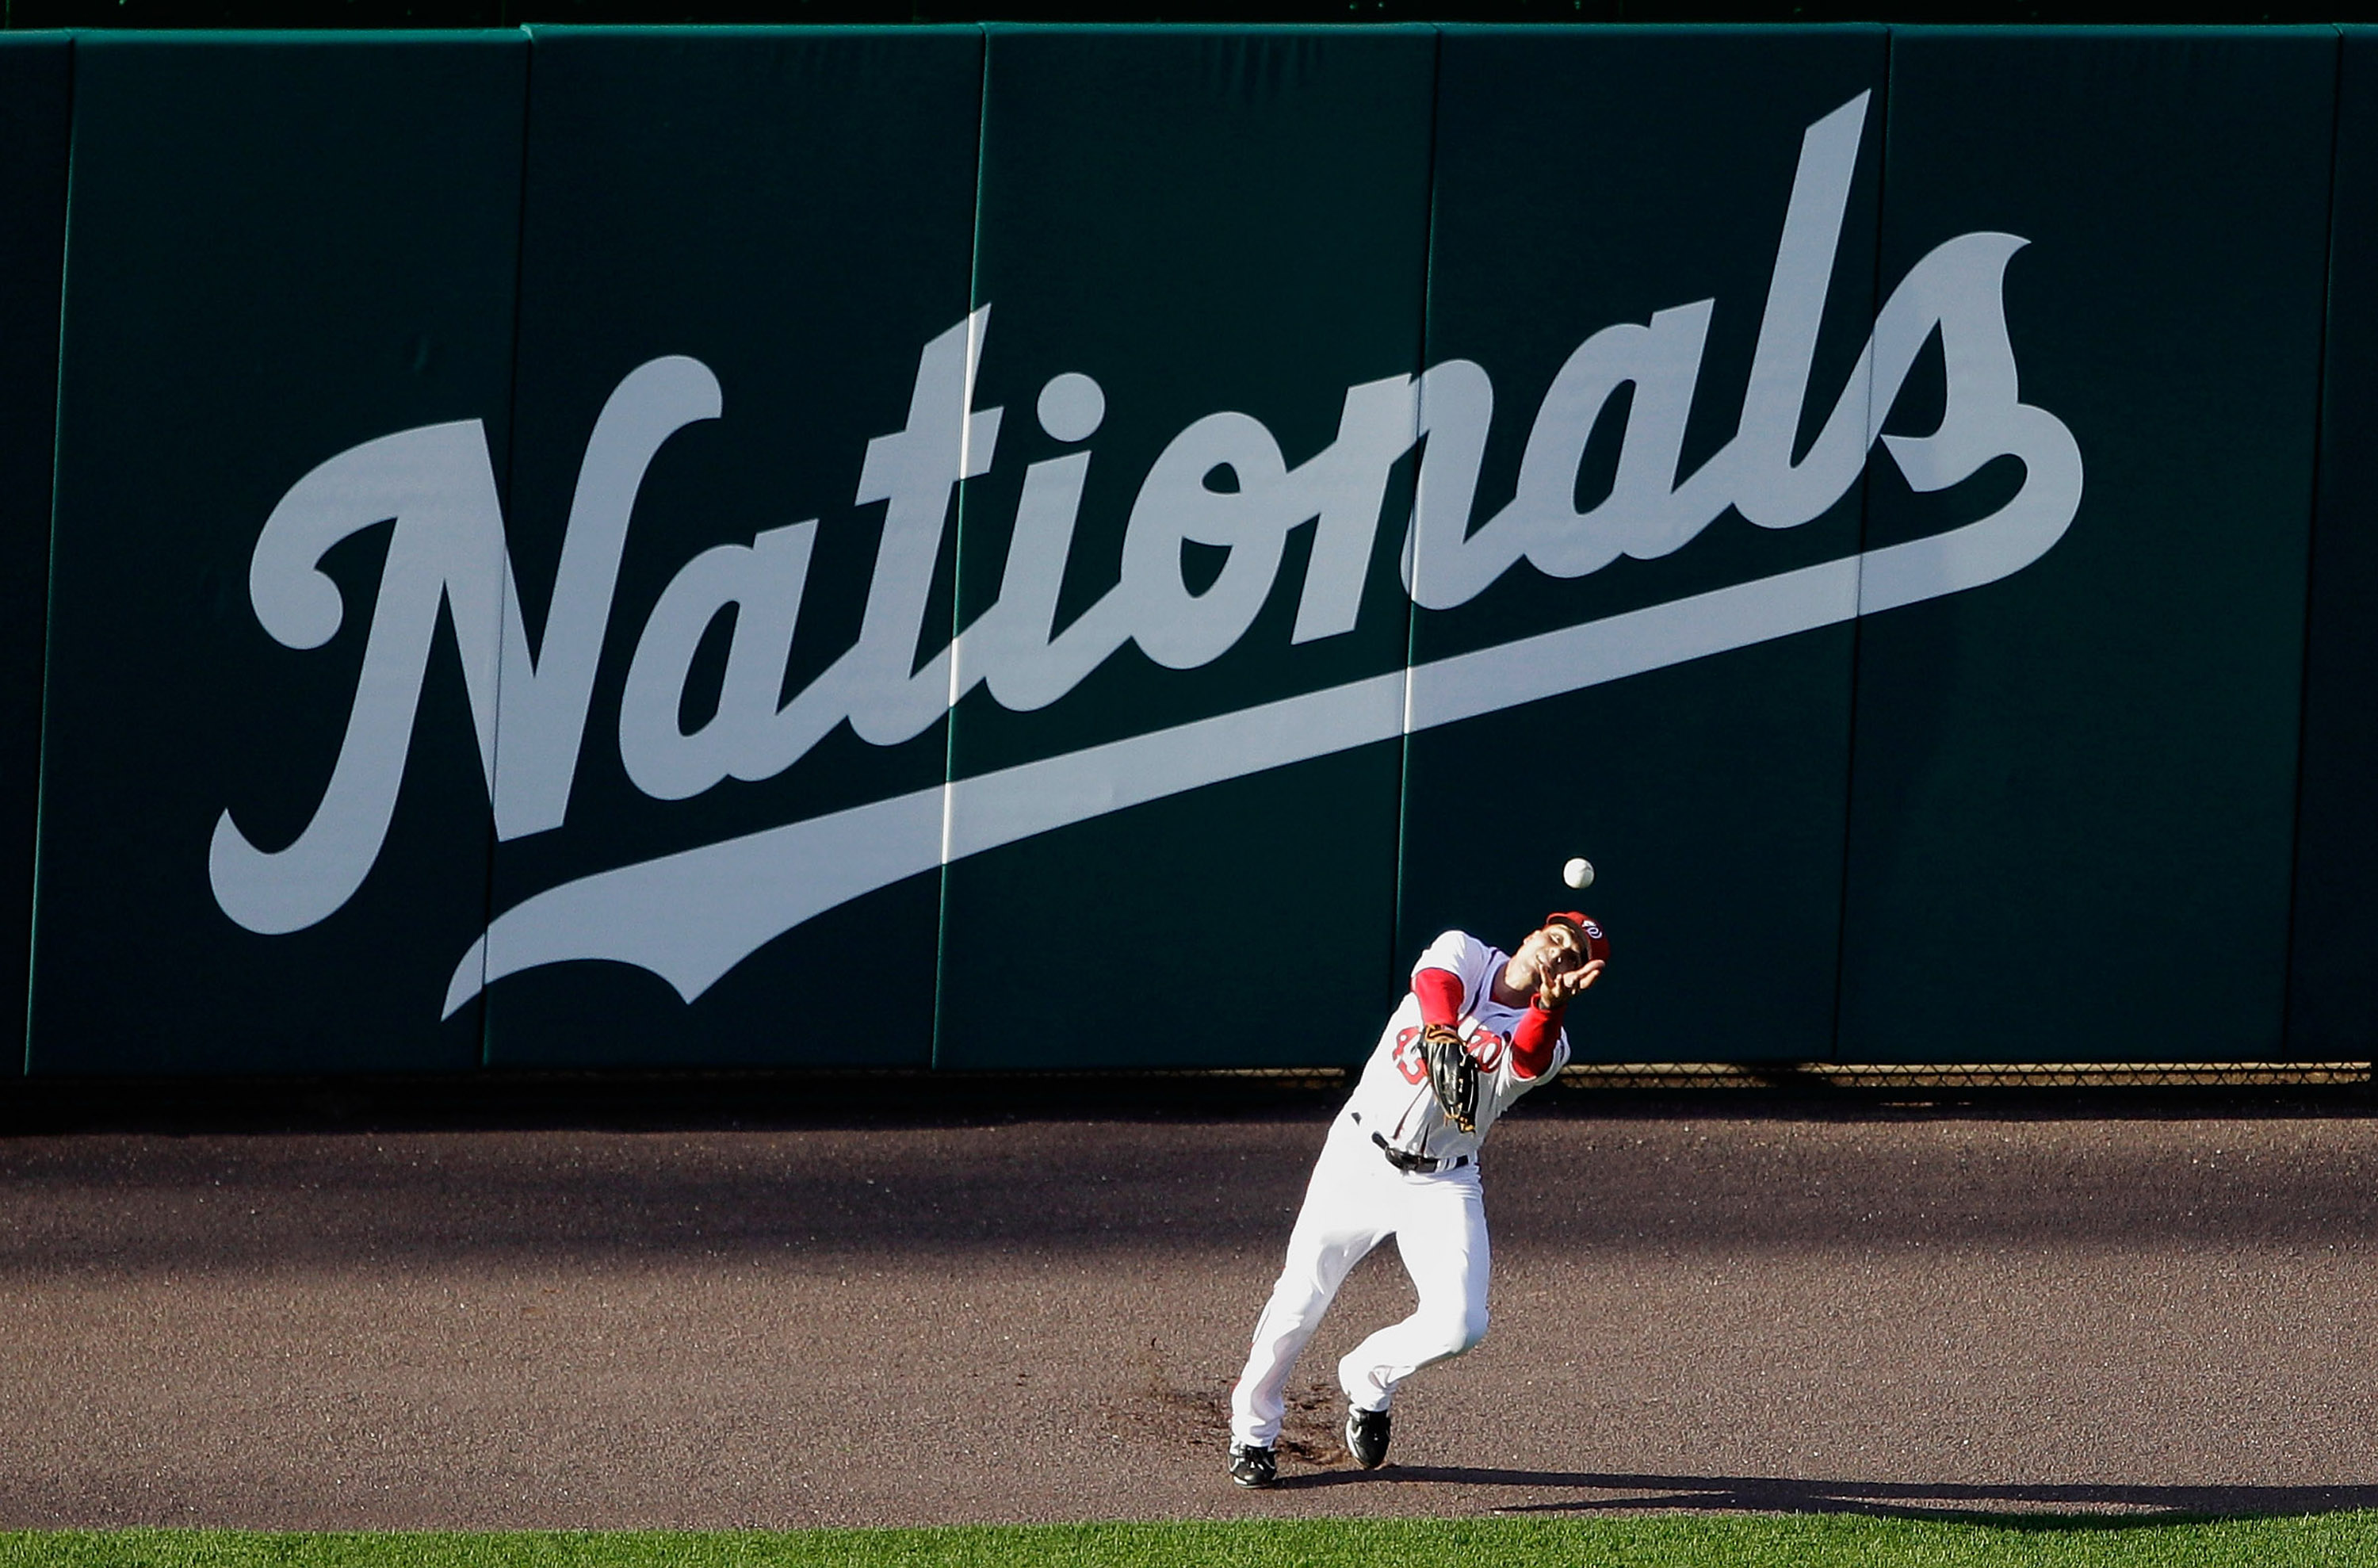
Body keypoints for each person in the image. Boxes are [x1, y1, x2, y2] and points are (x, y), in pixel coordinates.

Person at [1224, 912, 1607, 1488]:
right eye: (1556, 938)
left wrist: (1549, 1009)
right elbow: (1434, 985)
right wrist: (1443, 1033)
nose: (1558, 954)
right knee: (1302, 1296)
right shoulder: (1465, 952)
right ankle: (1252, 1434)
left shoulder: (1551, 1042)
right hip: (1359, 1154)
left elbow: (1526, 1058)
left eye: (1573, 956)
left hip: (1443, 1182)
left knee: (1461, 1324)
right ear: (1531, 935)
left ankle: (1369, 1376)